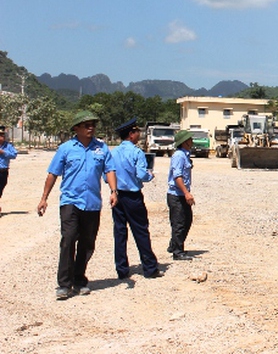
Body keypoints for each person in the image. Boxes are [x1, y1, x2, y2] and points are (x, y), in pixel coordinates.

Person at [37, 110, 118, 300]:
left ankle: (79, 279)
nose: (91, 128)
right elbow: (53, 173)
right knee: (68, 239)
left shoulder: (102, 148)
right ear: (76, 128)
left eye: (93, 124)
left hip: (92, 203)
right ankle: (64, 284)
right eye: (86, 125)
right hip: (70, 201)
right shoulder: (66, 148)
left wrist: (114, 191)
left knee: (87, 243)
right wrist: (44, 198)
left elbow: (110, 170)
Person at [111, 117, 162, 279]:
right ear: (131, 134)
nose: (139, 134)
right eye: (137, 131)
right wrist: (150, 175)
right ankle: (150, 268)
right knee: (140, 230)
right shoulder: (136, 152)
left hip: (117, 195)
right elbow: (141, 174)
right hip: (132, 196)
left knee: (119, 232)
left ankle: (122, 269)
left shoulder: (114, 152)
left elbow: (108, 176)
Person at [167, 129, 195, 261]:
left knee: (187, 219)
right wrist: (186, 193)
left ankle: (174, 245)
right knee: (179, 222)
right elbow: (177, 176)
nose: (192, 141)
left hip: (181, 194)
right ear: (184, 142)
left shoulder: (185, 155)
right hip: (177, 195)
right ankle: (178, 252)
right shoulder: (179, 156)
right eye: (190, 139)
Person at [0, 125, 19, 214]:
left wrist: (3, 152)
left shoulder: (8, 146)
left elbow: (14, 155)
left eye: (2, 136)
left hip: (3, 172)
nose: (1, 138)